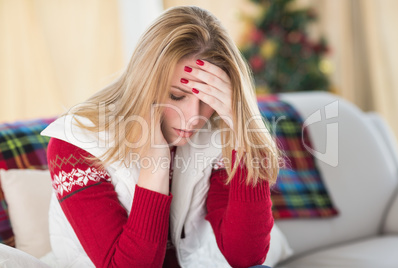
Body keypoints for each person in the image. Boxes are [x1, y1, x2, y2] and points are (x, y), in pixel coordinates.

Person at [41, 5, 279, 268]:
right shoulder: (74, 143)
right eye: (176, 96)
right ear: (145, 84)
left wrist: (244, 136)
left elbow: (246, 257)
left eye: (208, 100)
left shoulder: (218, 131)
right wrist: (155, 164)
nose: (193, 118)